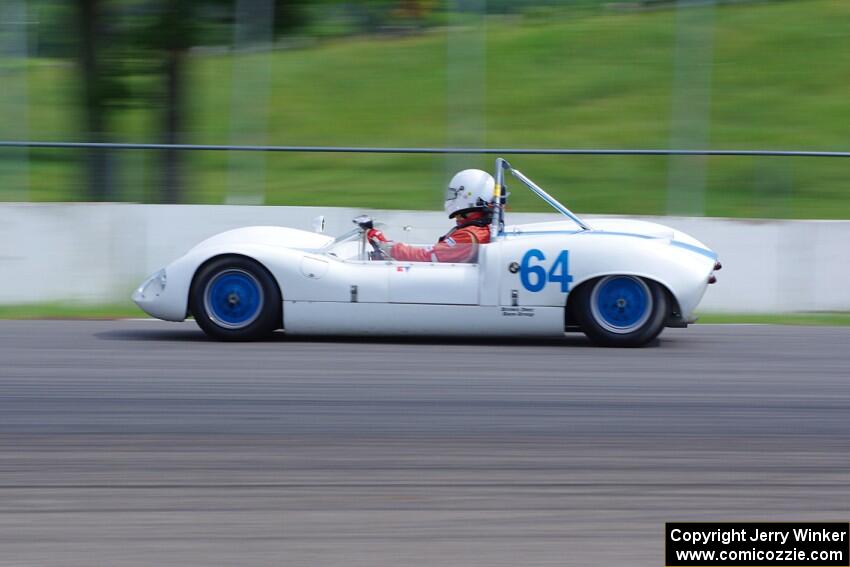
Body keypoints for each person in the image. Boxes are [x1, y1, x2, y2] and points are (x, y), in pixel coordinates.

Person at [367, 169, 495, 263]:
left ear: (468, 195)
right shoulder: (482, 229)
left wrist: (389, 247)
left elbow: (427, 256)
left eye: (455, 194)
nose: (452, 198)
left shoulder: (468, 236)